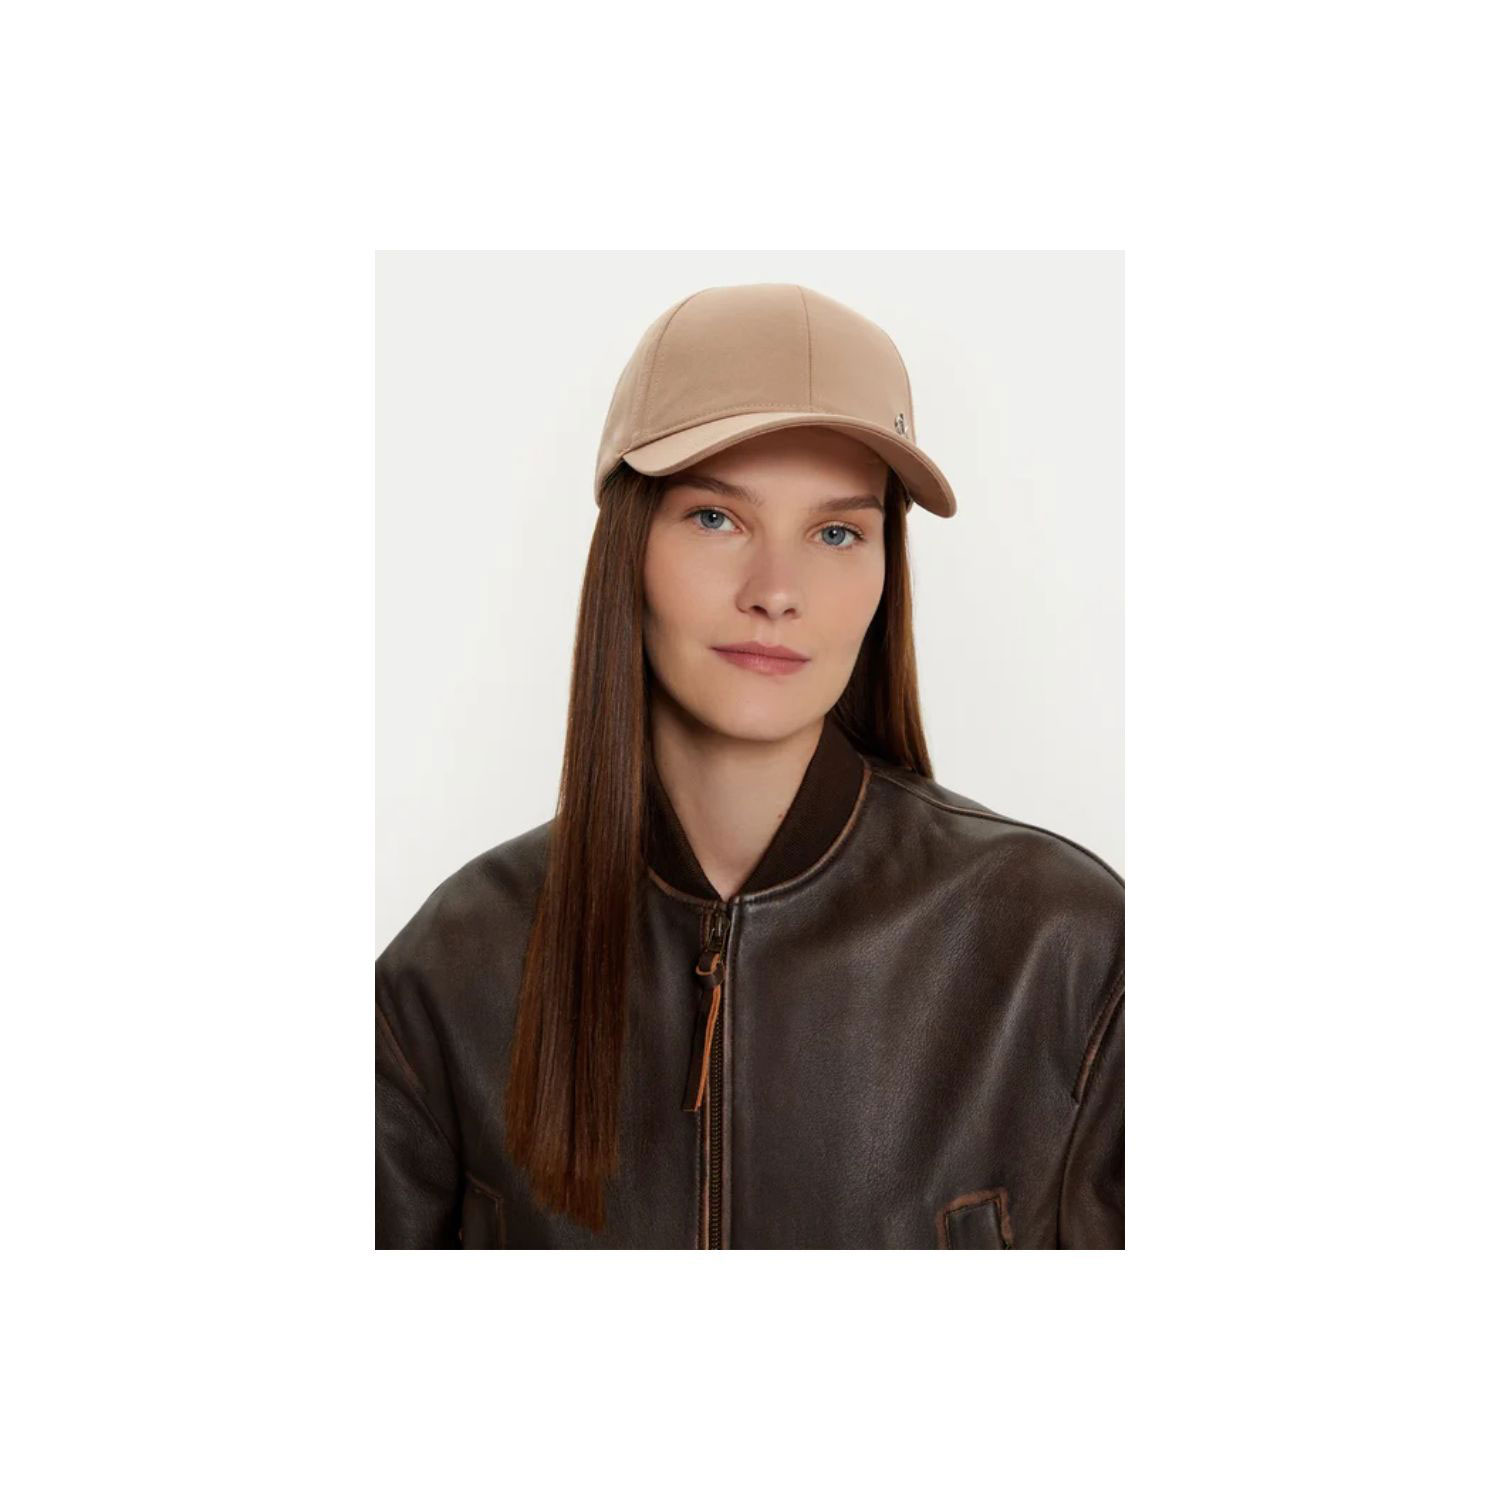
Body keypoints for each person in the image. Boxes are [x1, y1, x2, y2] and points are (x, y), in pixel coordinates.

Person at [376, 282, 1124, 1249]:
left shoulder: (1067, 952)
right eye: (716, 519)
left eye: (837, 532)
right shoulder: (450, 972)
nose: (777, 592)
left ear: (885, 572)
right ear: (627, 544)